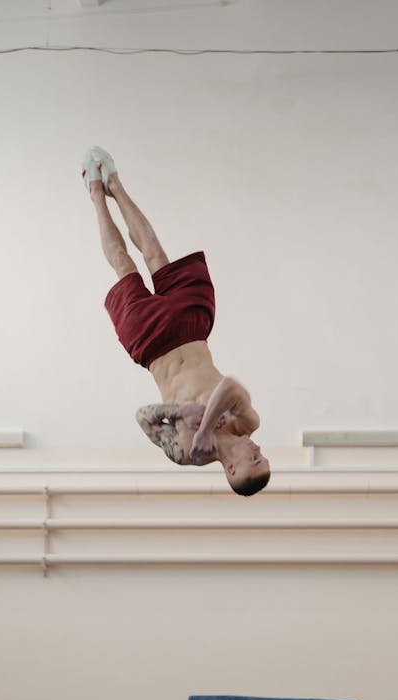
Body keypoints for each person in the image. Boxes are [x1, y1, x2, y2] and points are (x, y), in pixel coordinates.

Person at [82, 146, 270, 496]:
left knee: (124, 265)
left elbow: (143, 416)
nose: (259, 451)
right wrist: (202, 427)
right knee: (155, 252)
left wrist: (181, 410)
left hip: (152, 344)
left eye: (255, 460)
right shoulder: (246, 423)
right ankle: (115, 185)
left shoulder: (185, 453)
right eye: (264, 457)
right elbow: (230, 385)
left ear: (230, 468)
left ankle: (95, 195)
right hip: (190, 329)